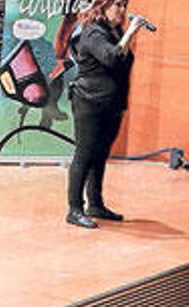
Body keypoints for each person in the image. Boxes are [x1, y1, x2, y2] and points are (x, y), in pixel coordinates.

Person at [64, 0, 148, 229]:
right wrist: (131, 32)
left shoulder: (114, 31)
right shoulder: (93, 31)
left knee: (100, 155)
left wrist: (126, 35)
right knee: (85, 154)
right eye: (117, 5)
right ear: (103, 5)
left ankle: (96, 204)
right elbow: (110, 57)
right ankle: (74, 209)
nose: (122, 11)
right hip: (89, 102)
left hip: (111, 103)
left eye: (124, 5)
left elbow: (122, 62)